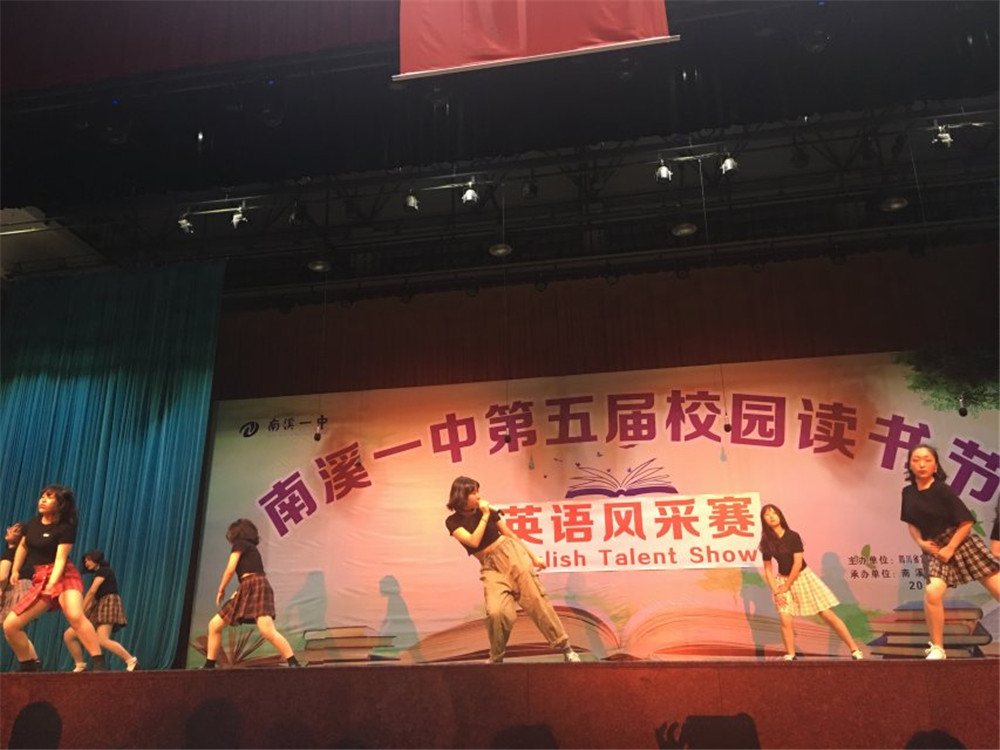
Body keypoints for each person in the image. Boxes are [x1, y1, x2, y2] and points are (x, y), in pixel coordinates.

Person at [445, 476, 580, 664]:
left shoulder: (488, 512)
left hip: (512, 554)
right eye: (474, 493)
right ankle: (496, 657)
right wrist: (485, 515)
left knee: (536, 601)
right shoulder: (453, 522)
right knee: (496, 612)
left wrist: (533, 557)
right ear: (462, 495)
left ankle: (566, 649)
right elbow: (473, 542)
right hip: (491, 567)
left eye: (478, 491)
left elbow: (510, 534)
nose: (479, 496)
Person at [900, 444, 1000, 659]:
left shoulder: (942, 490)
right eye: (916, 460)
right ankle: (937, 647)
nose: (922, 464)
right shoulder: (907, 492)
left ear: (935, 466)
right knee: (933, 591)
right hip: (935, 548)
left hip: (960, 543)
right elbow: (911, 523)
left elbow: (967, 522)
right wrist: (921, 542)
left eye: (927, 460)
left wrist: (951, 547)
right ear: (909, 465)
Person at [2, 485, 106, 671]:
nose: (42, 499)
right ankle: (28, 664)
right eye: (42, 496)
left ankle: (98, 661)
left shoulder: (65, 528)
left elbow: (60, 559)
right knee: (10, 625)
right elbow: (23, 546)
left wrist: (53, 582)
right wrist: (16, 569)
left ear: (60, 504)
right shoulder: (32, 524)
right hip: (40, 577)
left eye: (49, 497)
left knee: (75, 615)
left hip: (64, 574)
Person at [758, 503, 863, 661]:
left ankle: (854, 649)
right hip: (782, 580)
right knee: (785, 618)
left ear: (780, 516)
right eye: (767, 514)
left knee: (827, 614)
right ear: (763, 520)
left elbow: (797, 564)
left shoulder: (793, 536)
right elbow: (767, 570)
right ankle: (791, 655)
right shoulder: (766, 541)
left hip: (802, 576)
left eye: (774, 513)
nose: (771, 516)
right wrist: (776, 591)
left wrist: (786, 586)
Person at [202, 518, 301, 668]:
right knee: (214, 625)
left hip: (255, 586)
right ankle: (209, 665)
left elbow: (230, 570)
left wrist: (221, 589)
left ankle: (293, 661)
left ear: (236, 533)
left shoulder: (240, 544)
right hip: (250, 586)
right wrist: (238, 592)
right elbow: (247, 577)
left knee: (266, 630)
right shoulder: (250, 548)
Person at [63, 550, 138, 672]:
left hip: (108, 603)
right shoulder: (98, 574)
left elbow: (92, 592)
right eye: (85, 561)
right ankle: (80, 664)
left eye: (89, 560)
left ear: (96, 559)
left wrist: (80, 610)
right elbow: (93, 598)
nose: (86, 563)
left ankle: (131, 660)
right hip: (98, 606)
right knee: (69, 635)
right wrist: (83, 613)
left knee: (102, 639)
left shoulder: (104, 571)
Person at [0, 523, 40, 667]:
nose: (9, 530)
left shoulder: (10, 552)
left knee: (11, 628)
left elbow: (2, 576)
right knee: (14, 629)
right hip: (27, 587)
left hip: (15, 587)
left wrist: (0, 591)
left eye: (15, 530)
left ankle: (29, 662)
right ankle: (34, 660)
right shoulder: (25, 555)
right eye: (10, 527)